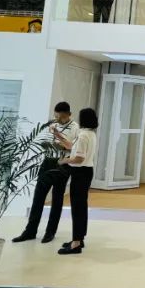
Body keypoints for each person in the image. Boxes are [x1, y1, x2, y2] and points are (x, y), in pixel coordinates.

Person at [13, 101, 79, 244]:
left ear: (69, 114)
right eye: (56, 116)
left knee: (57, 199)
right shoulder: (52, 124)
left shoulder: (75, 127)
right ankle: (30, 231)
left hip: (62, 164)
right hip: (47, 161)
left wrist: (57, 135)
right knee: (38, 197)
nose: (58, 119)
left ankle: (50, 232)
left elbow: (71, 147)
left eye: (61, 117)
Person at [58, 108, 98, 255]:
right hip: (86, 172)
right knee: (81, 207)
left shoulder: (82, 136)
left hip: (80, 173)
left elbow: (79, 158)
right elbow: (72, 147)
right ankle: (79, 239)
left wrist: (64, 161)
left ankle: (76, 243)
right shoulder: (90, 134)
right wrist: (58, 135)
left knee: (77, 208)